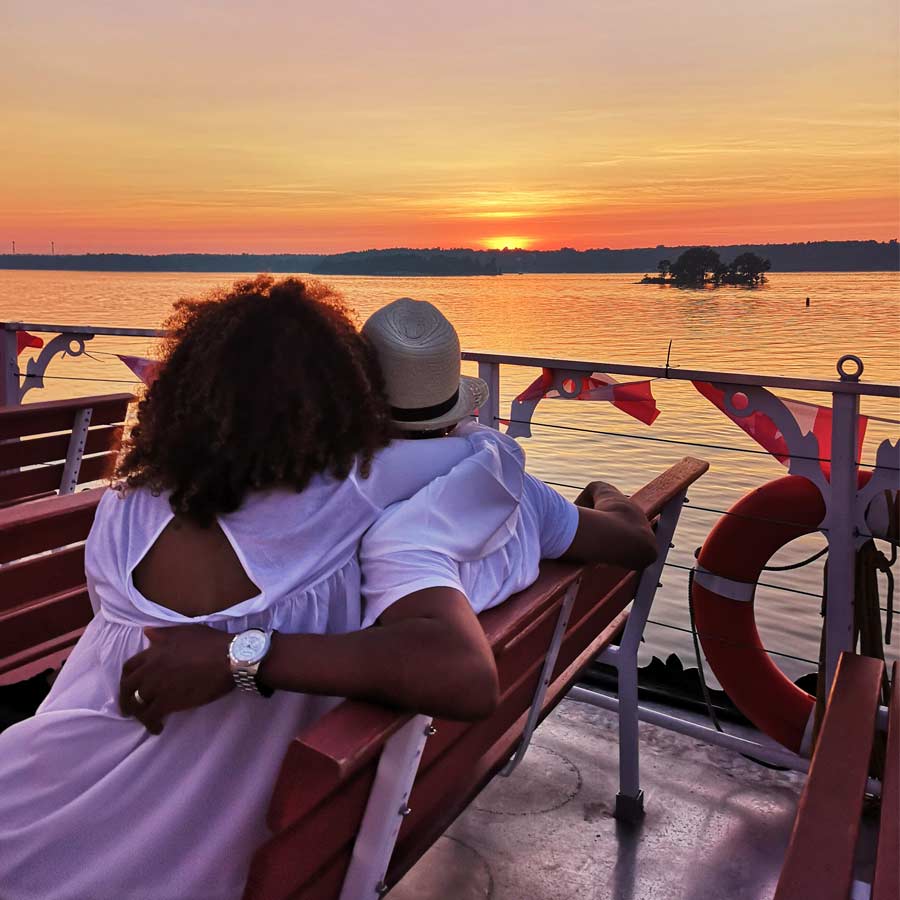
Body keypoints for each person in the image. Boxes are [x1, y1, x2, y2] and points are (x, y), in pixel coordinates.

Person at [0, 277, 511, 900]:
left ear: (187, 395)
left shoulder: (128, 506)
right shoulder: (365, 504)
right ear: (348, 402)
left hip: (42, 802)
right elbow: (487, 453)